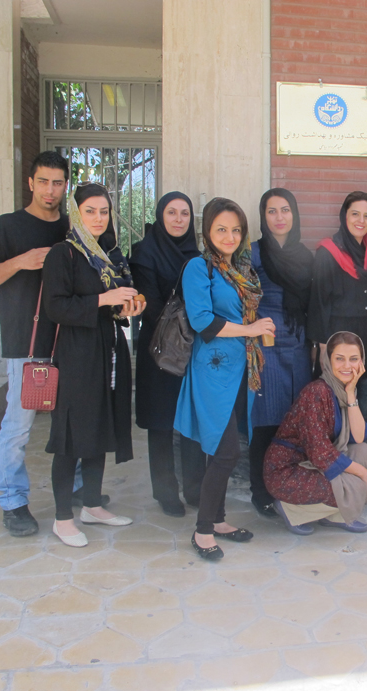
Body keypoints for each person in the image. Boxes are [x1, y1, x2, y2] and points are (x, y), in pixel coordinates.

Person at [0, 151, 81, 538]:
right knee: (19, 427)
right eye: (44, 182)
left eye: (58, 183)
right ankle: (13, 501)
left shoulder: (73, 228)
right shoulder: (8, 226)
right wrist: (21, 261)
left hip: (70, 338)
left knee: (72, 420)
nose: (51, 190)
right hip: (26, 342)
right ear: (31, 183)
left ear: (65, 186)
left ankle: (75, 486)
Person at [42, 183, 143, 547]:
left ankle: (92, 505)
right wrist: (104, 299)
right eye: (90, 211)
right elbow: (56, 307)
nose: (98, 218)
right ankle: (62, 518)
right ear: (76, 213)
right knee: (72, 434)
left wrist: (129, 305)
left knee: (100, 425)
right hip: (76, 354)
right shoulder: (64, 253)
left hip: (109, 348)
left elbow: (117, 302)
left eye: (104, 211)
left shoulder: (110, 254)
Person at [174, 197, 275, 562]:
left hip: (240, 369)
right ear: (207, 231)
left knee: (221, 447)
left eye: (236, 230)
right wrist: (250, 329)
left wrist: (254, 329)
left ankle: (217, 520)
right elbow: (202, 320)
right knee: (226, 450)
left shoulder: (241, 268)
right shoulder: (198, 268)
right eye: (221, 229)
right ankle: (202, 530)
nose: (230, 237)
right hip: (212, 369)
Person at [129, 192, 206, 517]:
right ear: (160, 215)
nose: (178, 219)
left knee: (192, 420)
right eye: (172, 212)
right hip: (159, 348)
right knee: (161, 423)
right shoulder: (144, 252)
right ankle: (165, 492)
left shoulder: (196, 254)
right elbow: (151, 305)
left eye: (184, 213)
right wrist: (193, 321)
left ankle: (195, 488)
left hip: (194, 348)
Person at [264, 331, 367, 534]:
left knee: (364, 453)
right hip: (288, 472)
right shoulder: (317, 392)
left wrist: (351, 394)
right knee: (358, 485)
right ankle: (291, 510)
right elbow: (320, 453)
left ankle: (334, 516)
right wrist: (364, 475)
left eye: (354, 359)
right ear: (328, 360)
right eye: (339, 358)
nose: (347, 366)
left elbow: (359, 437)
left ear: (362, 362)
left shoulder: (344, 390)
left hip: (312, 464)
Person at [248, 188, 314, 518]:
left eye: (285, 210)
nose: (279, 217)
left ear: (294, 214)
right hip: (266, 344)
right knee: (266, 420)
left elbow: (313, 301)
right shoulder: (252, 253)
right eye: (271, 211)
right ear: (263, 217)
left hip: (298, 345)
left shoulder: (305, 256)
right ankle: (260, 492)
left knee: (294, 421)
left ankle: (289, 488)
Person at [308, 192, 367, 416]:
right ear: (344, 216)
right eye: (355, 214)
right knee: (335, 411)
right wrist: (323, 347)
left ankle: (358, 439)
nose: (361, 221)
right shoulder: (328, 253)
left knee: (363, 407)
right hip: (338, 342)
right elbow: (319, 302)